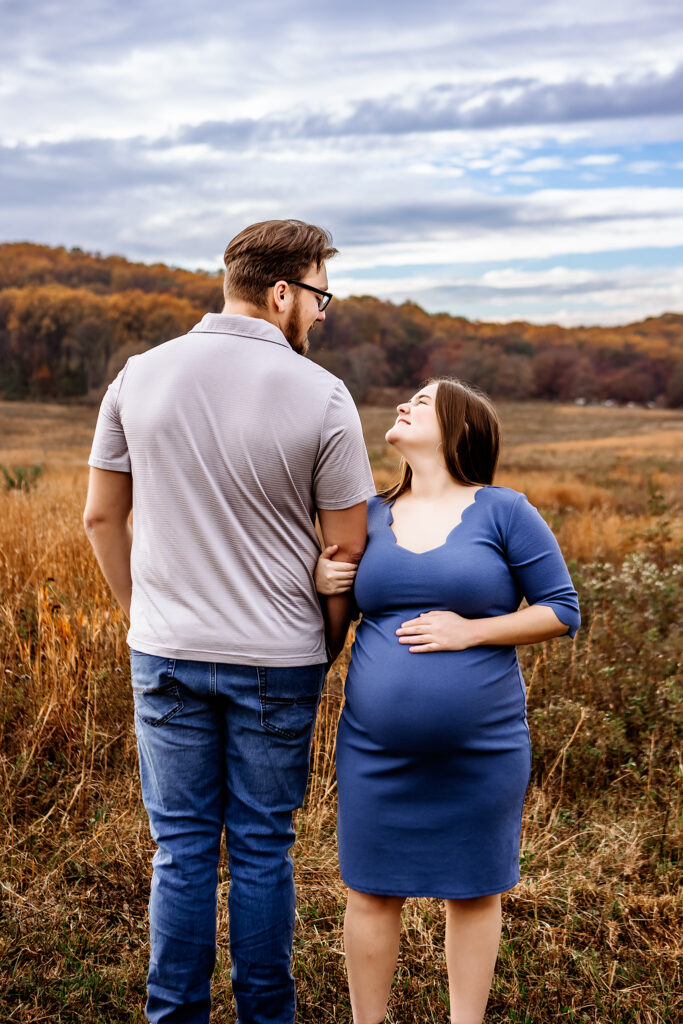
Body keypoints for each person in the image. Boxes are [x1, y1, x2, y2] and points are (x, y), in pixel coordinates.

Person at [83, 219, 376, 1024]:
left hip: (167, 649)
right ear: (282, 292)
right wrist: (325, 639)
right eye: (320, 295)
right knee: (260, 851)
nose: (322, 312)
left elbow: (101, 521)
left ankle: (173, 1015)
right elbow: (346, 546)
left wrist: (143, 616)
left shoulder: (137, 375)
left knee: (178, 852)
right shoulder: (321, 394)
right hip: (279, 657)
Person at [315, 378, 580, 1024]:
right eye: (405, 396)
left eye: (423, 401)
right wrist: (322, 585)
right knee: (370, 891)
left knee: (474, 890)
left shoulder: (503, 511)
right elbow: (329, 633)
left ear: (459, 429)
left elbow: (562, 610)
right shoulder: (366, 515)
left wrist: (473, 629)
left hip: (481, 747)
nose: (402, 403)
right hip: (373, 749)